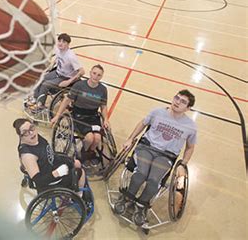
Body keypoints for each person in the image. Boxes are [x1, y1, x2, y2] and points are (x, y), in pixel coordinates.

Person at [119, 89, 197, 224]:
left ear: (188, 108)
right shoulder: (157, 112)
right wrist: (130, 139)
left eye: (183, 102)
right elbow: (143, 123)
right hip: (146, 148)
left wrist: (183, 164)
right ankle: (127, 198)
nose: (177, 102)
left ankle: (141, 205)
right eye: (177, 98)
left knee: (155, 180)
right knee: (141, 173)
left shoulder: (191, 127)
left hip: (166, 156)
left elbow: (190, 147)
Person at [14, 118, 90, 201]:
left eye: (31, 128)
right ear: (20, 136)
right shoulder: (28, 155)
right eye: (25, 132)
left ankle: (74, 189)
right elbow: (38, 181)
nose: (31, 133)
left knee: (77, 163)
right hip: (48, 181)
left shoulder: (34, 137)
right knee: (80, 172)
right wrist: (56, 173)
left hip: (51, 163)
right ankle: (78, 197)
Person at [50, 64, 109, 167]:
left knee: (98, 138)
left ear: (101, 77)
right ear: (90, 73)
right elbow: (67, 100)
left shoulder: (103, 90)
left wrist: (106, 119)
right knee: (90, 138)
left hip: (93, 116)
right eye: (94, 73)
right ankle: (83, 153)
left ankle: (90, 152)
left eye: (99, 75)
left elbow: (103, 106)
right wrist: (57, 116)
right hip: (78, 115)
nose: (96, 76)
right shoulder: (79, 86)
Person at [27, 33, 84, 111]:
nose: (60, 43)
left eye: (64, 42)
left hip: (65, 77)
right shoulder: (58, 49)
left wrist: (68, 81)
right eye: (59, 41)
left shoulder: (71, 56)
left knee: (45, 84)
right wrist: (52, 64)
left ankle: (40, 105)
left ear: (68, 44)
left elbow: (82, 71)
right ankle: (36, 98)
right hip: (57, 72)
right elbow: (58, 58)